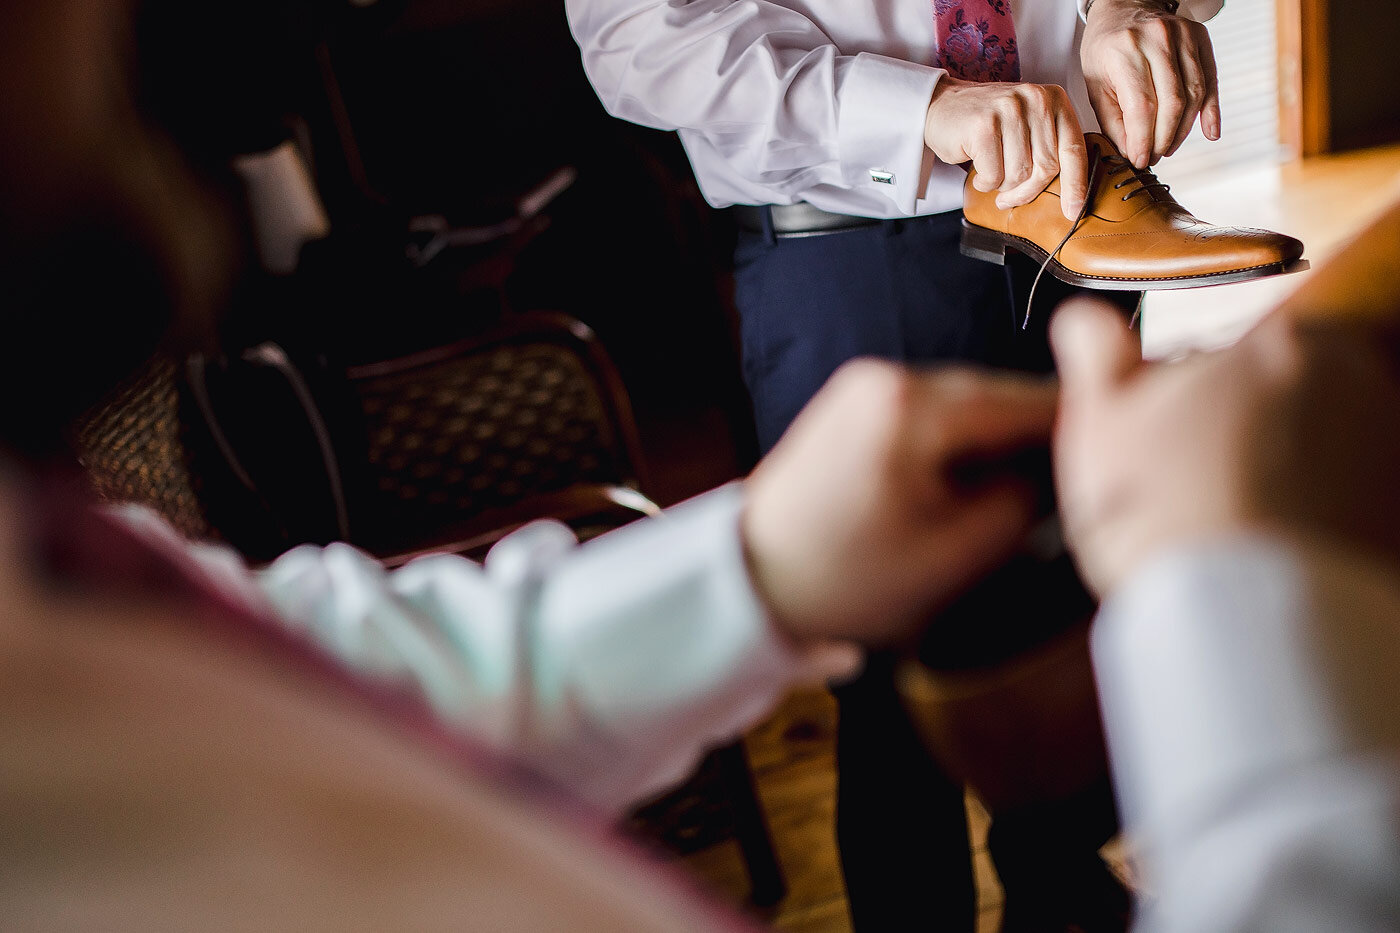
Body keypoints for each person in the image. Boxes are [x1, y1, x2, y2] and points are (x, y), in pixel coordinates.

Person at [566, 0, 1225, 923]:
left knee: (1073, 625)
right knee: (892, 694)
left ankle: (1064, 893)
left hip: (1086, 209)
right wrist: (917, 107)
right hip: (853, 245)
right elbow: (639, 34)